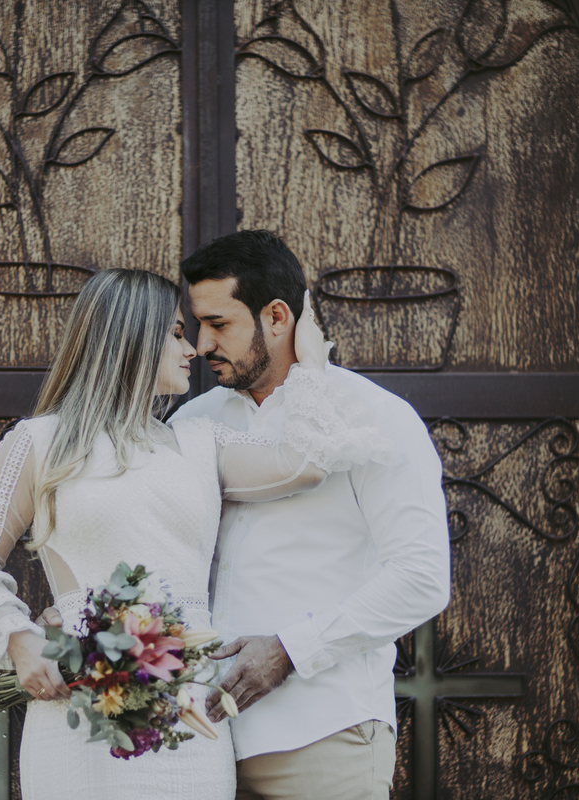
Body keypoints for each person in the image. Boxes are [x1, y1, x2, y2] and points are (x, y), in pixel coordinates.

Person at [0, 268, 392, 800]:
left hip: (190, 715)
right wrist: (20, 640)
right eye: (177, 333)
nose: (195, 349)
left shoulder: (200, 442)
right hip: (85, 712)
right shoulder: (41, 443)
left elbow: (306, 464)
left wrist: (309, 365)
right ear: (130, 339)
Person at [171, 230, 451, 800]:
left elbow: (420, 578)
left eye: (219, 324)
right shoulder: (190, 423)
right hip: (198, 744)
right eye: (198, 325)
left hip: (324, 734)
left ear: (277, 317)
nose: (202, 345)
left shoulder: (376, 418)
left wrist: (289, 650)